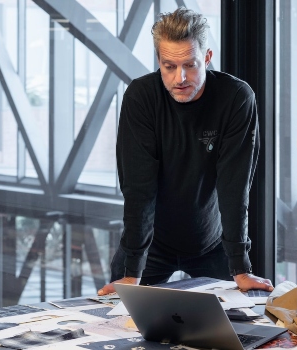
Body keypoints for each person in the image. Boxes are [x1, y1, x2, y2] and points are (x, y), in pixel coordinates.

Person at [98, 7, 273, 295]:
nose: (180, 78)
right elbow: (138, 189)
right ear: (158, 61)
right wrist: (132, 271)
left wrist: (241, 267)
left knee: (236, 327)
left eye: (190, 65)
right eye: (169, 66)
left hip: (212, 243)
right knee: (122, 324)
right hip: (150, 245)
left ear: (207, 57)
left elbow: (234, 186)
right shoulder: (141, 97)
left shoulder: (236, 98)